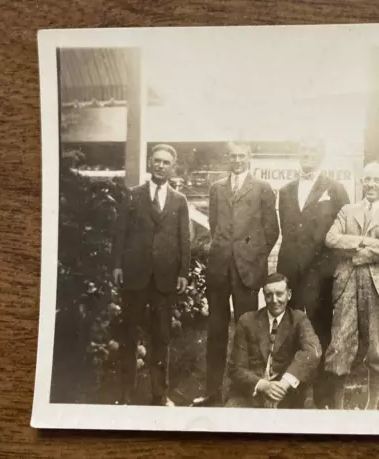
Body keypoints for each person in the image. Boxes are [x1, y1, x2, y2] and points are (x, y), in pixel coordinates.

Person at [200, 142, 280, 406]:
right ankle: (212, 391)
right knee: (216, 330)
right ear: (228, 158)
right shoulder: (217, 188)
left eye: (242, 156)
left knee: (246, 331)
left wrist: (253, 258)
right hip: (219, 270)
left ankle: (243, 391)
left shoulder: (262, 188)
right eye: (233, 155)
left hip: (247, 271)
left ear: (250, 158)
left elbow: (272, 231)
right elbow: (215, 227)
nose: (237, 160)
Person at [112, 144, 191, 406]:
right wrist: (117, 265)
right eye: (156, 161)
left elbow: (184, 239)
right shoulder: (133, 196)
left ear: (173, 167)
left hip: (164, 278)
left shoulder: (179, 201)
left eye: (166, 162)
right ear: (150, 163)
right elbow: (120, 233)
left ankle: (159, 394)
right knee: (129, 335)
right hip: (135, 275)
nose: (160, 166)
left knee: (161, 336)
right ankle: (125, 392)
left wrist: (183, 272)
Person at [323, 161, 379, 410]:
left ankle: (372, 409)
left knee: (378, 346)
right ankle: (338, 409)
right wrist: (366, 241)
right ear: (361, 181)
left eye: (377, 180)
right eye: (367, 179)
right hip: (347, 284)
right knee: (340, 344)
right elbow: (331, 238)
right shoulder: (348, 211)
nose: (370, 184)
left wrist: (355, 252)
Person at [276, 139, 350, 408]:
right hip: (290, 272)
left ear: (321, 155)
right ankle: (292, 391)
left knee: (320, 330)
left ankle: (322, 395)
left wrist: (328, 269)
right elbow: (287, 229)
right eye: (303, 151)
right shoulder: (285, 191)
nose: (307, 155)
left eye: (312, 151)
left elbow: (345, 229)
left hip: (320, 274)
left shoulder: (335, 189)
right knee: (290, 328)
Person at [226, 273, 322, 408]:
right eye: (269, 295)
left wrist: (283, 385)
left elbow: (313, 351)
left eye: (279, 294)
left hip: (287, 393)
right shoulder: (247, 321)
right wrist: (263, 386)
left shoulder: (299, 320)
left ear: (289, 295)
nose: (274, 300)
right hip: (252, 392)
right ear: (264, 296)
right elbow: (236, 368)